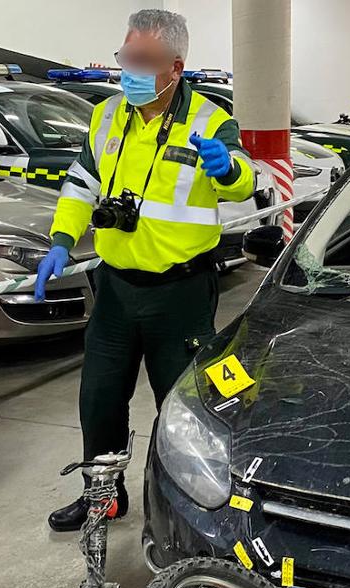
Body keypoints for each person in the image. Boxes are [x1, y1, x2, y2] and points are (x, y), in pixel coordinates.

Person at [38, 9, 256, 532]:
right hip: (115, 288)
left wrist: (227, 169)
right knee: (99, 398)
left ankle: (182, 508)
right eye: (125, 57)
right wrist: (63, 240)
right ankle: (102, 496)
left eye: (142, 62)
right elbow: (79, 184)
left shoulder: (210, 120)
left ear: (176, 67)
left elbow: (243, 181)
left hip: (179, 293)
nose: (128, 71)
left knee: (181, 407)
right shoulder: (107, 115)